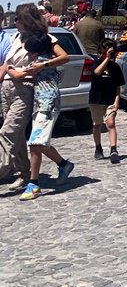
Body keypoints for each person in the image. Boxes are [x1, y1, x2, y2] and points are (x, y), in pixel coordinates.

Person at [14, 25, 73, 199]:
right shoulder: (38, 61)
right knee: (40, 142)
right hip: (40, 102)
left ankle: (34, 184)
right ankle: (64, 164)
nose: (28, 56)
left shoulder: (42, 60)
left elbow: (64, 57)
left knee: (34, 143)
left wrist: (10, 68)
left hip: (48, 103)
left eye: (30, 53)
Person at [0, 3, 47, 188]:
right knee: (17, 135)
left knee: (7, 132)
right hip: (7, 89)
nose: (15, 21)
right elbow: (7, 63)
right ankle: (23, 171)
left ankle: (3, 168)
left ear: (26, 19)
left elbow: (41, 64)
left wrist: (18, 72)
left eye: (17, 18)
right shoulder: (16, 37)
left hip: (23, 89)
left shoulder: (41, 40)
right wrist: (6, 72)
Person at [90, 39, 124, 163]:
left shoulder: (115, 67)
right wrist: (106, 59)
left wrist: (116, 102)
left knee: (110, 124)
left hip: (110, 100)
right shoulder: (95, 63)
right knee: (97, 125)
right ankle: (98, 148)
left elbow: (118, 86)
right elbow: (97, 72)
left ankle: (113, 149)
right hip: (96, 100)